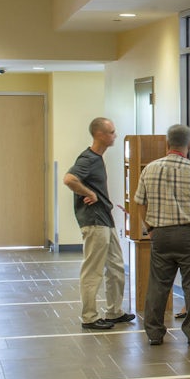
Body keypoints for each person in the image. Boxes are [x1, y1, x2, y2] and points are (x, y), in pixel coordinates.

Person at [135, 123, 190, 346]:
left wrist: (150, 228)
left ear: (167, 143)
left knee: (158, 285)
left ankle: (154, 333)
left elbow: (140, 203)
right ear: (189, 145)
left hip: (160, 234)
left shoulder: (150, 168)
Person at [62, 117, 131, 330]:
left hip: (105, 219)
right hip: (94, 221)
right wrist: (89, 192)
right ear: (100, 134)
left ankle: (114, 311)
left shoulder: (98, 159)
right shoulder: (89, 158)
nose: (115, 135)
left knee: (117, 267)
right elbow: (69, 179)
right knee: (93, 269)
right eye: (112, 132)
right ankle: (89, 317)